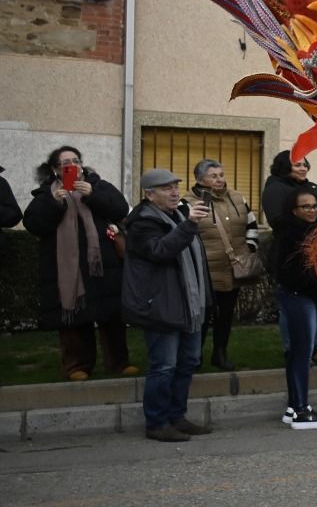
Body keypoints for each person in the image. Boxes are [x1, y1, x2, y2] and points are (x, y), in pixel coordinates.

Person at [22, 146, 134, 381]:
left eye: (75, 160)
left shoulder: (99, 186)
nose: (72, 165)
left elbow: (120, 209)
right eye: (65, 163)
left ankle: (119, 362)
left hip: (103, 265)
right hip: (68, 270)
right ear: (55, 170)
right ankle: (77, 366)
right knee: (73, 317)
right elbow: (34, 225)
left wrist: (92, 194)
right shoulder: (45, 195)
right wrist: (54, 203)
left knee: (111, 317)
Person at [122, 169, 213, 442]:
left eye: (176, 187)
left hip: (189, 305)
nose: (174, 192)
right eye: (166, 188)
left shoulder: (177, 216)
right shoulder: (141, 222)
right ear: (149, 195)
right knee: (164, 366)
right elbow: (160, 251)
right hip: (161, 305)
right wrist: (189, 225)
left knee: (188, 362)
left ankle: (177, 416)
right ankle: (157, 422)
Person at [269, 190, 317, 430]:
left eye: (314, 206)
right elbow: (294, 273)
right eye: (305, 207)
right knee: (301, 353)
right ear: (294, 210)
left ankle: (293, 407)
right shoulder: (290, 235)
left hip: (307, 298)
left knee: (298, 353)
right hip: (299, 298)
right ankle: (300, 410)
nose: (312, 210)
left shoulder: (311, 231)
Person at [261, 151, 317, 364]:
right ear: (284, 166)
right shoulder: (275, 189)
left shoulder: (311, 188)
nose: (303, 168)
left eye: (305, 164)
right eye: (297, 164)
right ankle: (293, 351)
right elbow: (280, 222)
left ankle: (314, 347)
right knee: (294, 308)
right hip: (293, 258)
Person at [189, 159, 260, 371]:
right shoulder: (189, 202)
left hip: (232, 269)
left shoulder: (238, 198)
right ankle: (195, 357)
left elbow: (252, 225)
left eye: (221, 175)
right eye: (213, 176)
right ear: (200, 179)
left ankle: (220, 353)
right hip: (205, 272)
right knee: (201, 318)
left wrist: (250, 247)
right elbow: (186, 234)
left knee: (226, 316)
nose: (219, 179)